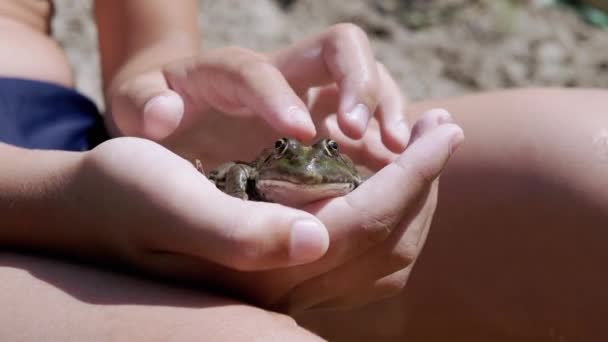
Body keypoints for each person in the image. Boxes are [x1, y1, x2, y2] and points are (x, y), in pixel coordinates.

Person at [0, 1, 606, 341]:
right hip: (49, 195)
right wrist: (55, 205)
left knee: (592, 171)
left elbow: (149, 41)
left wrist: (164, 96)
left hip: (72, 142)